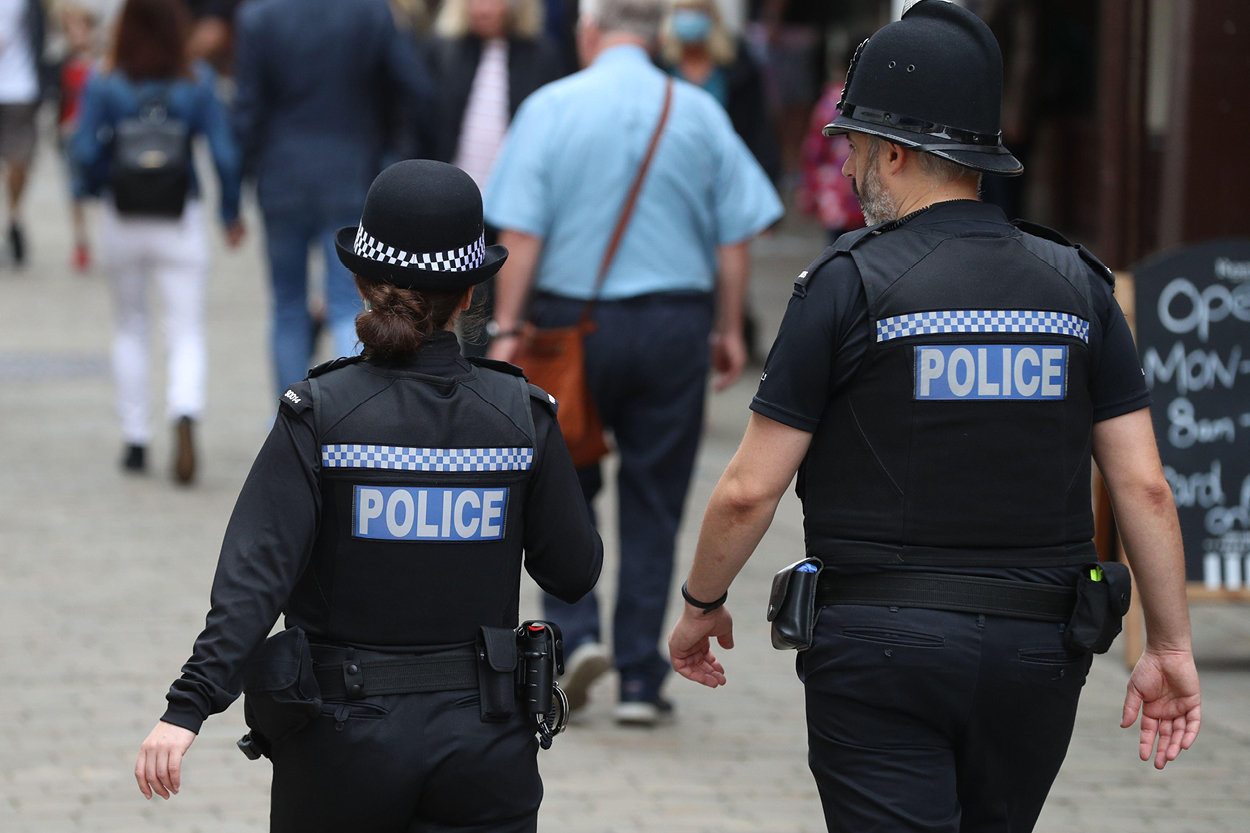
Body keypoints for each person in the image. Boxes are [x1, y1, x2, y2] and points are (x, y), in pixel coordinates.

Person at [668, 4, 1201, 832]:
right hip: (1038, 651)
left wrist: (702, 601)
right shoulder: (1079, 288)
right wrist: (1169, 644)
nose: (845, 171)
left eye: (851, 147)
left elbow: (746, 491)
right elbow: (1145, 486)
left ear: (892, 150)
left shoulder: (845, 286)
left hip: (878, 648)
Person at [134, 160, 603, 832]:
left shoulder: (320, 414)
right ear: (470, 292)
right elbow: (574, 571)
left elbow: (255, 577)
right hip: (484, 743)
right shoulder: (520, 415)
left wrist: (187, 708)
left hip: (339, 744)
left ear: (361, 282)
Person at [485, 0, 783, 725]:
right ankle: (644, 679)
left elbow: (520, 230)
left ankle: (574, 635)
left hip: (566, 326)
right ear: (655, 41)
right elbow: (735, 232)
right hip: (672, 323)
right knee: (656, 497)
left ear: (590, 34)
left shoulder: (550, 107)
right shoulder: (699, 112)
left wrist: (506, 326)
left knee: (562, 486)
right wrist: (728, 327)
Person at [70, 0, 243, 482]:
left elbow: (83, 148)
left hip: (123, 217)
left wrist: (98, 184)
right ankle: (184, 408)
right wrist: (230, 212)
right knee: (185, 329)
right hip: (178, 215)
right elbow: (225, 155)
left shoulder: (105, 80)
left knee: (130, 326)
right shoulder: (196, 82)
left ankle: (135, 439)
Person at [232, 0, 433, 399]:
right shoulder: (371, 12)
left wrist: (233, 191)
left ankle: (289, 419)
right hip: (351, 174)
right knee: (348, 304)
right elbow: (415, 87)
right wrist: (404, 156)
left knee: (288, 306)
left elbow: (246, 111)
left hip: (282, 177)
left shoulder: (259, 15)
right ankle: (350, 414)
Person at [430, 0, 564, 190]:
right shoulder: (444, 50)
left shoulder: (542, 56)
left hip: (511, 192)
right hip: (450, 189)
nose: (483, 9)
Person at [659, 0, 780, 185]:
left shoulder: (738, 63)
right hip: (673, 175)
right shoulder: (659, 66)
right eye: (683, 12)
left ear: (712, 16)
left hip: (728, 175)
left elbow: (758, 127)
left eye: (696, 11)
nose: (689, 19)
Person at [795, 51, 864, 244]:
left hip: (836, 192)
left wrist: (808, 191)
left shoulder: (831, 101)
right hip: (867, 190)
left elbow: (813, 151)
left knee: (838, 249)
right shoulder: (875, 102)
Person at [0, 0, 46, 266]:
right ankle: (13, 216)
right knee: (18, 159)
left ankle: (14, 216)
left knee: (19, 161)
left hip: (20, 88)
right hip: (22, 89)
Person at [56, 1, 99, 273]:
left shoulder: (102, 64)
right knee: (74, 189)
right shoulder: (59, 64)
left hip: (95, 132)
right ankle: (81, 241)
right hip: (69, 131)